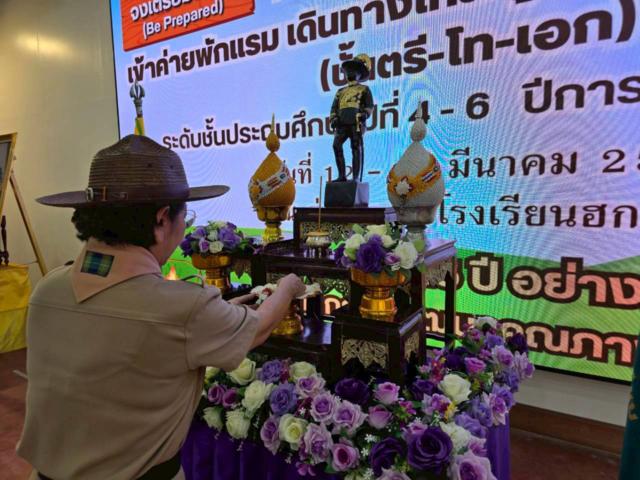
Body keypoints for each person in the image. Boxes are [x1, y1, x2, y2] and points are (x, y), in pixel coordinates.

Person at [16, 135, 305, 479]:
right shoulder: (183, 308)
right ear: (162, 218)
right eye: (186, 216)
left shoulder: (47, 289)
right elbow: (256, 328)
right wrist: (288, 287)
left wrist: (219, 310)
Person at [329, 53, 374, 182]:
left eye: (354, 70)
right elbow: (334, 108)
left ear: (360, 74)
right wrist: (333, 118)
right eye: (348, 70)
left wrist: (365, 114)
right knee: (336, 145)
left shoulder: (364, 89)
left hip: (356, 123)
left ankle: (355, 177)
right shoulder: (340, 91)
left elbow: (369, 105)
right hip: (342, 123)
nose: (350, 73)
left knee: (355, 148)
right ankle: (342, 175)